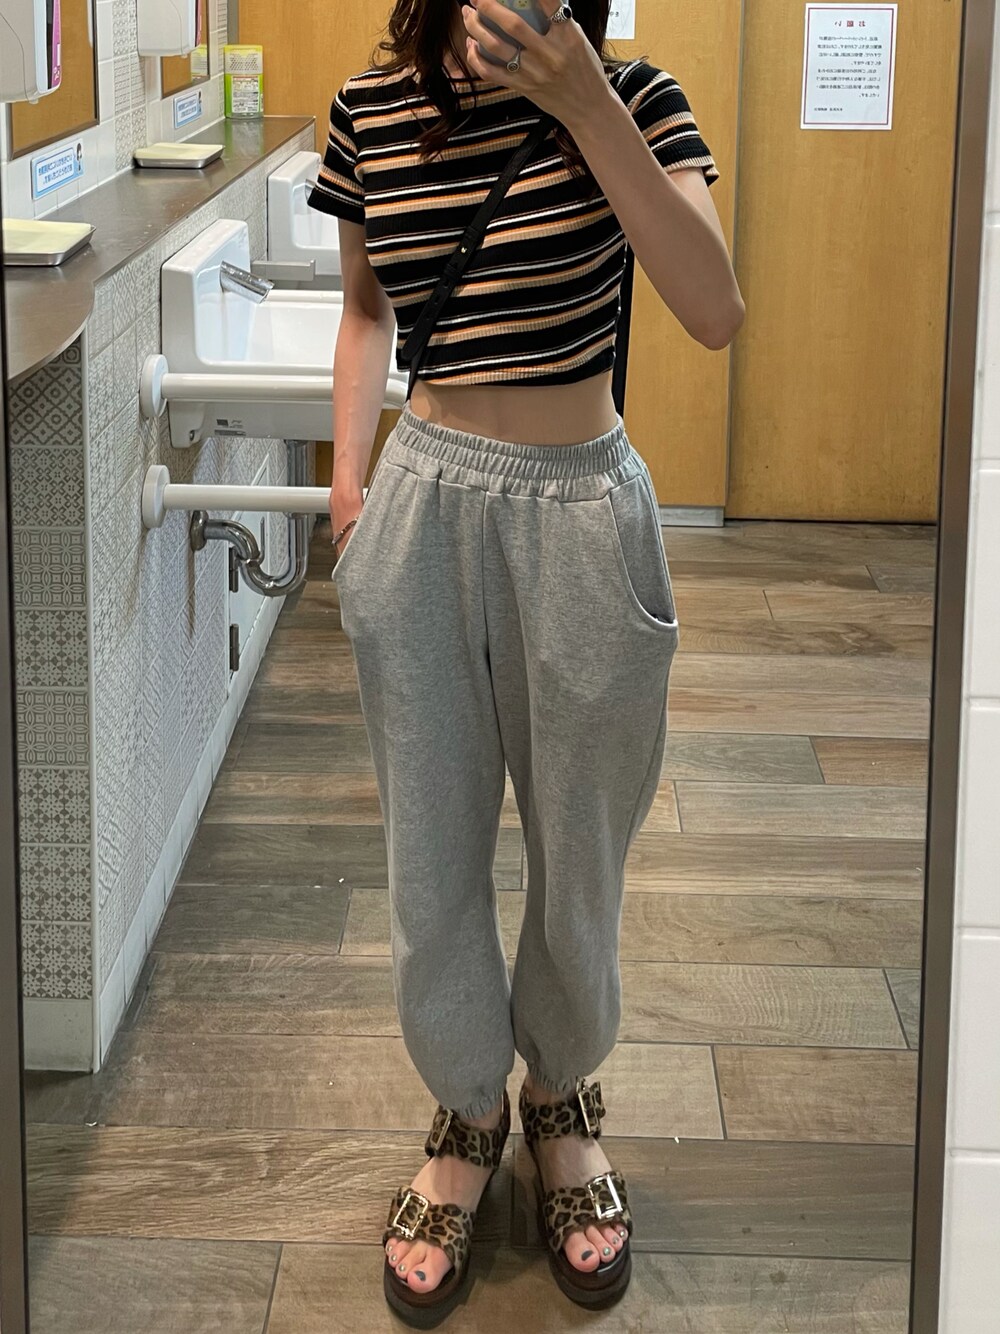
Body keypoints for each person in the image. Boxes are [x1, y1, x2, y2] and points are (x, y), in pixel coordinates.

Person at [307, 0, 743, 1321]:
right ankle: (464, 1107)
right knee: (431, 845)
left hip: (581, 512)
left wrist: (585, 102)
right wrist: (348, 481)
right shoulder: (369, 113)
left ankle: (558, 1094)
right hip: (422, 504)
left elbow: (714, 308)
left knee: (582, 841)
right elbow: (367, 312)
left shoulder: (640, 98)